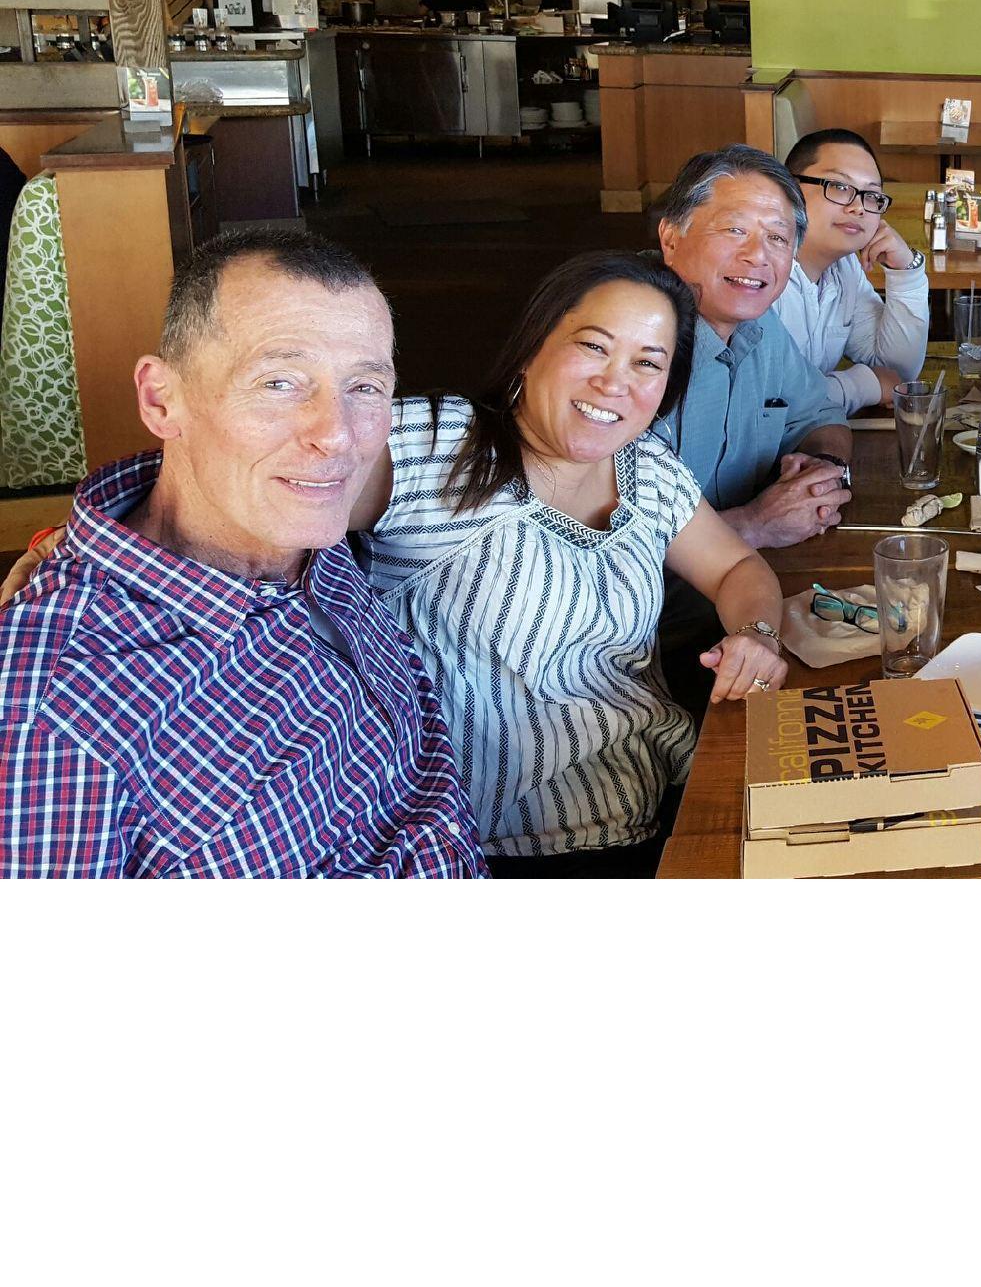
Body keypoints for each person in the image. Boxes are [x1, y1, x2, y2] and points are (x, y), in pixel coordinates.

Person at [0, 230, 485, 877]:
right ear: (160, 399)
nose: (336, 436)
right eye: (279, 383)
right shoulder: (55, 711)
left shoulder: (301, 530)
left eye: (366, 387)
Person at [349, 251, 790, 875]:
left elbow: (738, 570)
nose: (615, 382)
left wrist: (756, 634)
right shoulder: (444, 449)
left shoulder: (648, 470)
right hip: (492, 849)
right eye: (593, 346)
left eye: (648, 363)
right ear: (534, 346)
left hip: (658, 800)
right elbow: (290, 491)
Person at [650, 145, 853, 546]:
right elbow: (599, 545)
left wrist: (820, 471)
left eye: (777, 238)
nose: (757, 256)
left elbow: (821, 415)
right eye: (734, 230)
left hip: (745, 583)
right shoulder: (632, 343)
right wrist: (755, 525)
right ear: (671, 239)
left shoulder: (761, 326)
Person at [773, 128, 929, 416]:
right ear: (788, 189)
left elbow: (895, 373)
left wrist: (906, 272)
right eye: (839, 187)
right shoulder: (759, 274)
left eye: (872, 196)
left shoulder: (843, 268)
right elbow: (766, 403)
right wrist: (859, 386)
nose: (858, 207)